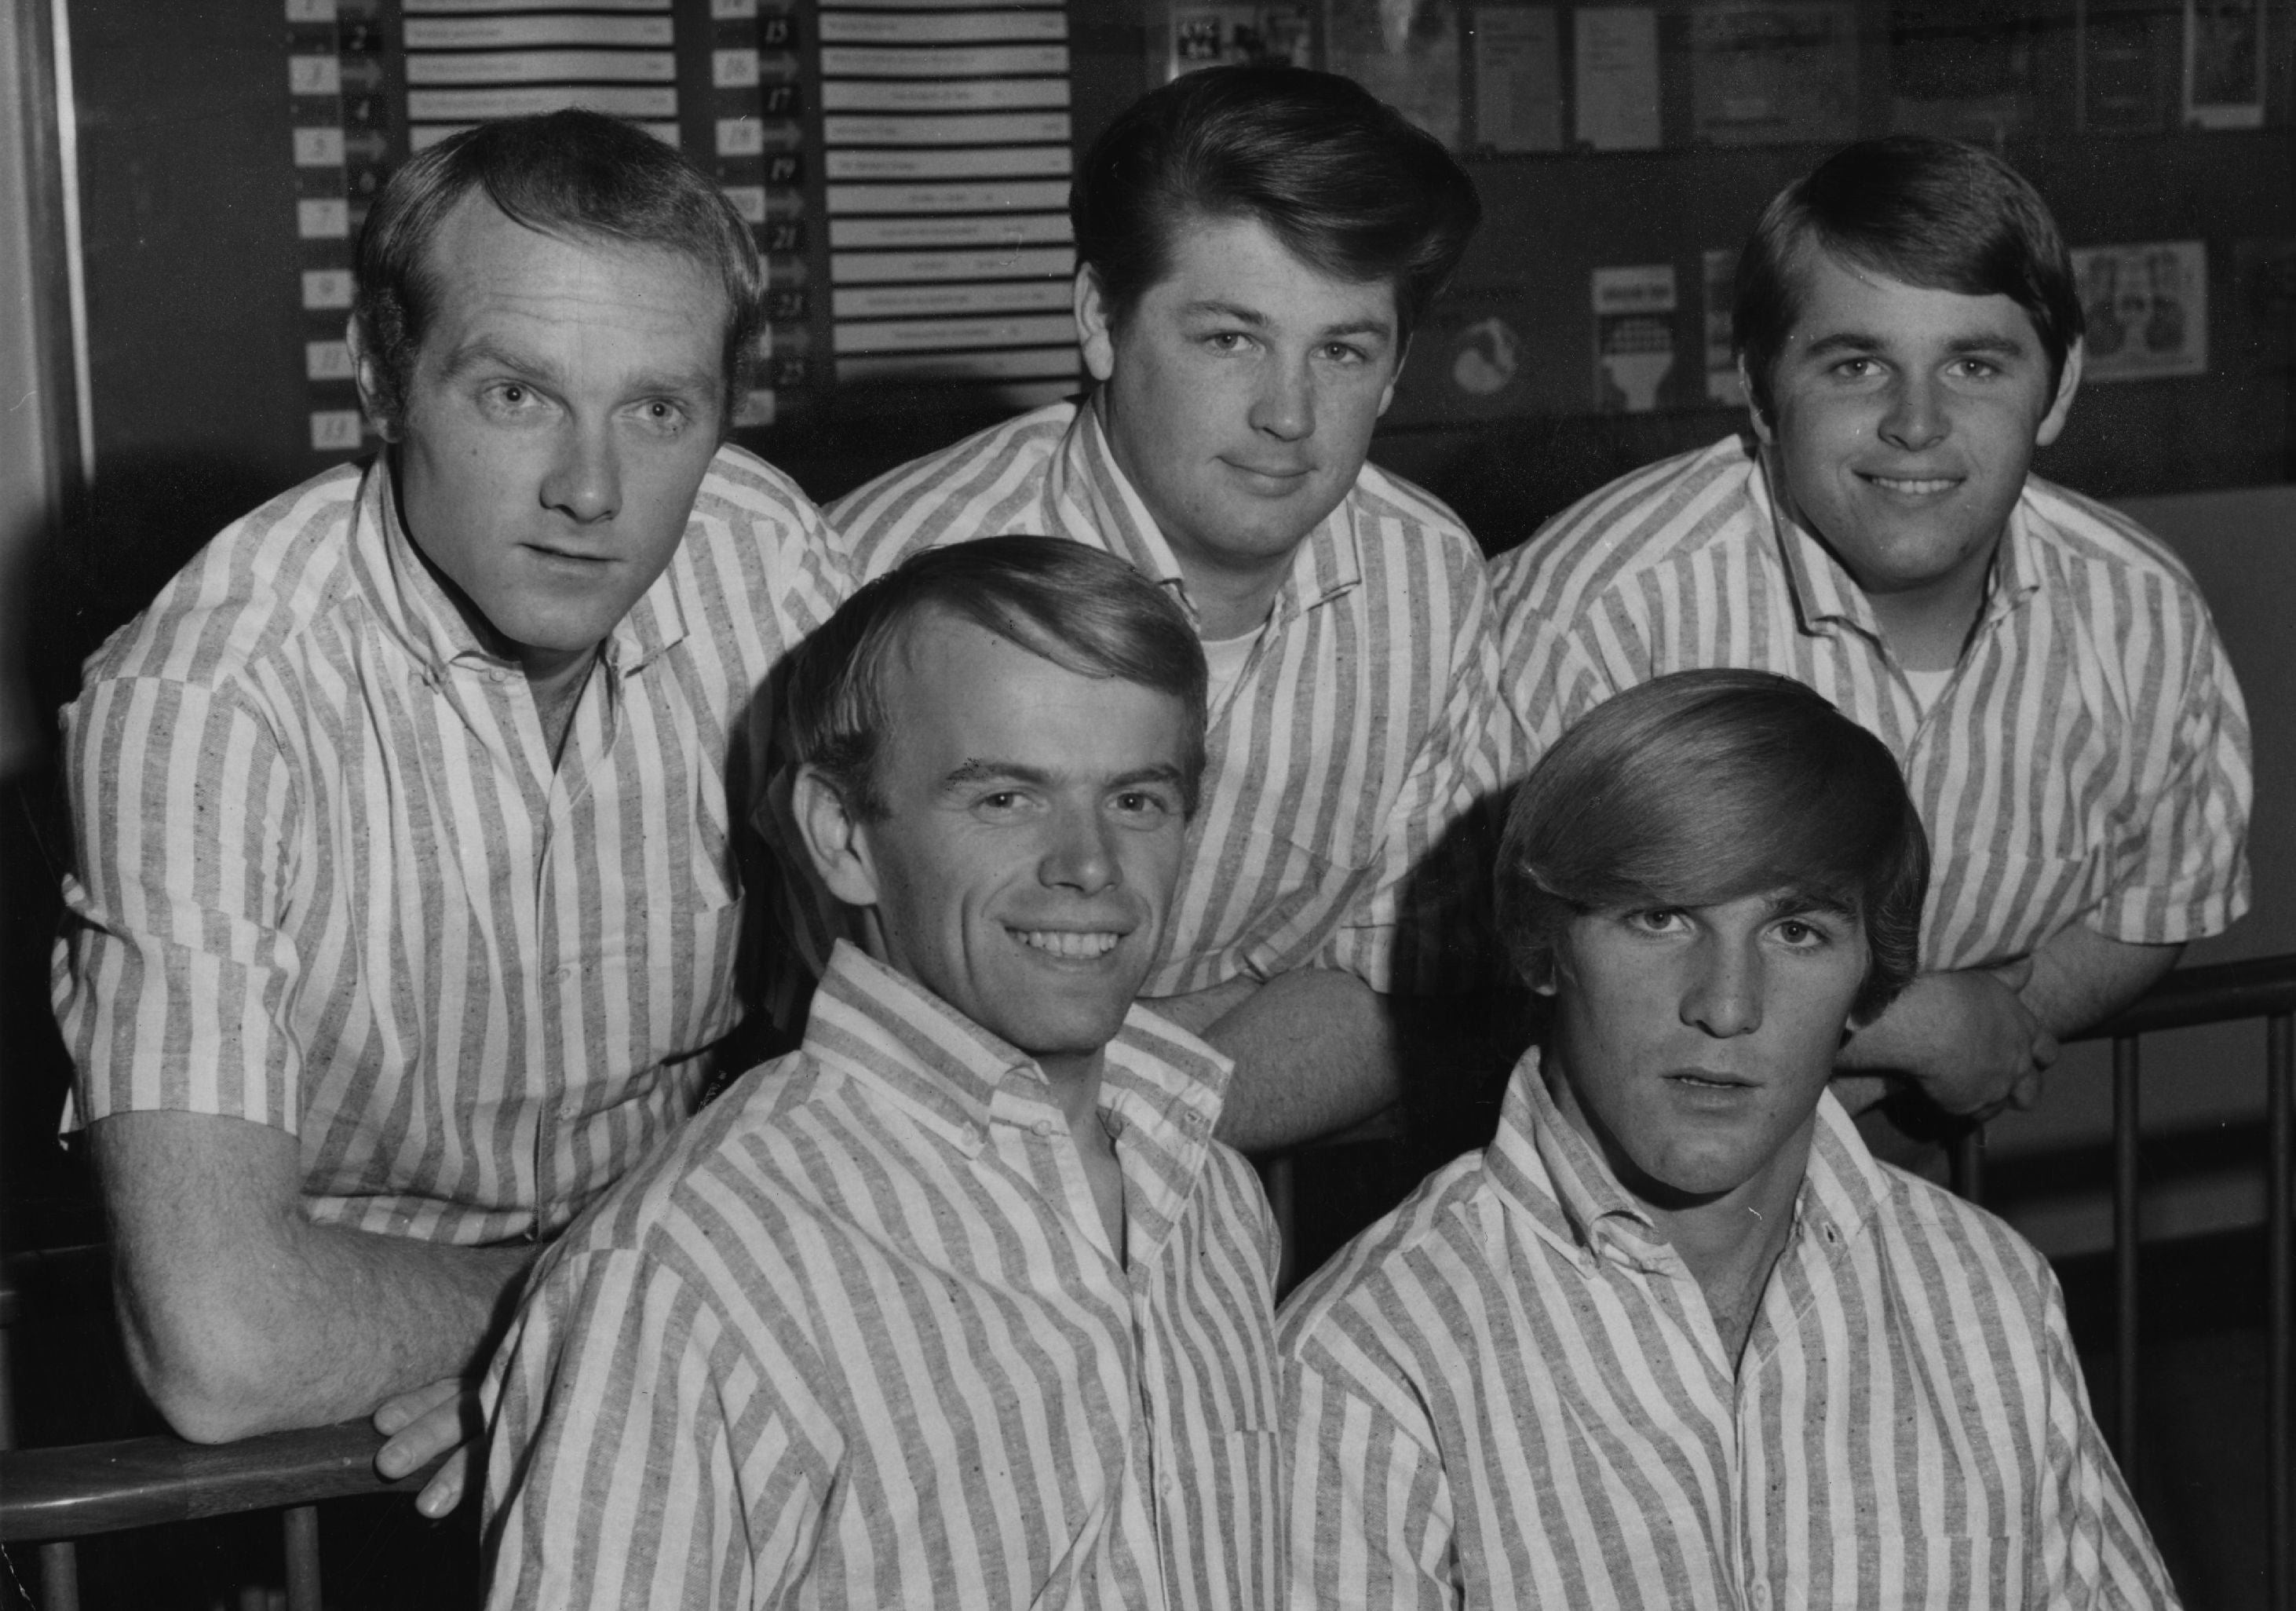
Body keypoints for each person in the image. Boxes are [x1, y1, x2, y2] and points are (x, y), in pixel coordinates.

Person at [49, 111, 846, 1509]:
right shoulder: (204, 698)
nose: (591, 493)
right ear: (382, 375)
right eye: (516, 395)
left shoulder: (764, 557)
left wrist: (609, 1329)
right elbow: (224, 1344)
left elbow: (922, 1072)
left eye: (658, 410)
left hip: (697, 1347)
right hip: (347, 1442)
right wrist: (598, 1315)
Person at [482, 538, 1282, 1609]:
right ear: (843, 832)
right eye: (1006, 799)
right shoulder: (691, 1269)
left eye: (1137, 799)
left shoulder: (1212, 1201)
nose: (1089, 865)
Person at [1280, 670, 2177, 1608]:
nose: (1727, 1006)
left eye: (1795, 932)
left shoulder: (1986, 1291)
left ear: (1871, 978)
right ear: (1545, 946)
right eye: (1659, 918)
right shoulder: (1368, 1360)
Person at [1491, 135, 2249, 1138]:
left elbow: (2157, 906)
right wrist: (1915, 1025)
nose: (1917, 424)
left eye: (1975, 364)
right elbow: (1496, 980)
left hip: (1903, 1173)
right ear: (1761, 392)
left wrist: (1996, 1025)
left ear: (2059, 388)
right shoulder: (1600, 610)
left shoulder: (2140, 610)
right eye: (1856, 364)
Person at [824, 64, 1497, 1153]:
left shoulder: (1430, 576)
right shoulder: (881, 571)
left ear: (1396, 366)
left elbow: (1393, 988)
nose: (1288, 414)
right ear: (1100, 320)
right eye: (1229, 338)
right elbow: (844, 1022)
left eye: (1341, 350)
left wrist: (1119, 1133)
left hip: (1231, 1181)